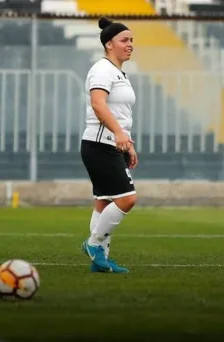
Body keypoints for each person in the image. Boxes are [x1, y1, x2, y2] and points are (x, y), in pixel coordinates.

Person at [80, 17, 138, 273]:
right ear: (108, 44)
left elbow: (120, 113)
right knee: (127, 199)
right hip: (100, 144)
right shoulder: (102, 70)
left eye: (131, 40)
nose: (130, 45)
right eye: (124, 40)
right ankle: (94, 245)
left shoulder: (117, 72)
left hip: (110, 144)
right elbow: (98, 104)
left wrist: (127, 143)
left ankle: (100, 261)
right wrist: (117, 133)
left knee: (104, 202)